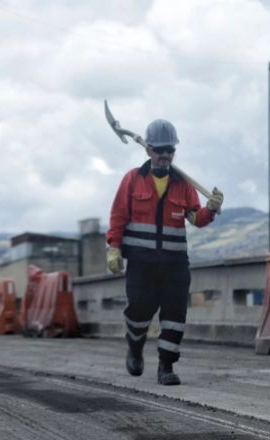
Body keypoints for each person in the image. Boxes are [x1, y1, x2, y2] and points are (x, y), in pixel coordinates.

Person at [105, 118, 224, 386]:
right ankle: (135, 349)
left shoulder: (184, 184)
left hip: (174, 264)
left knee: (174, 315)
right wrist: (114, 248)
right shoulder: (133, 180)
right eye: (159, 150)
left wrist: (212, 208)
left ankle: (166, 366)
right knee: (139, 311)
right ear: (148, 150)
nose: (164, 155)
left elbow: (197, 219)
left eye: (169, 150)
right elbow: (118, 217)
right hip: (141, 263)